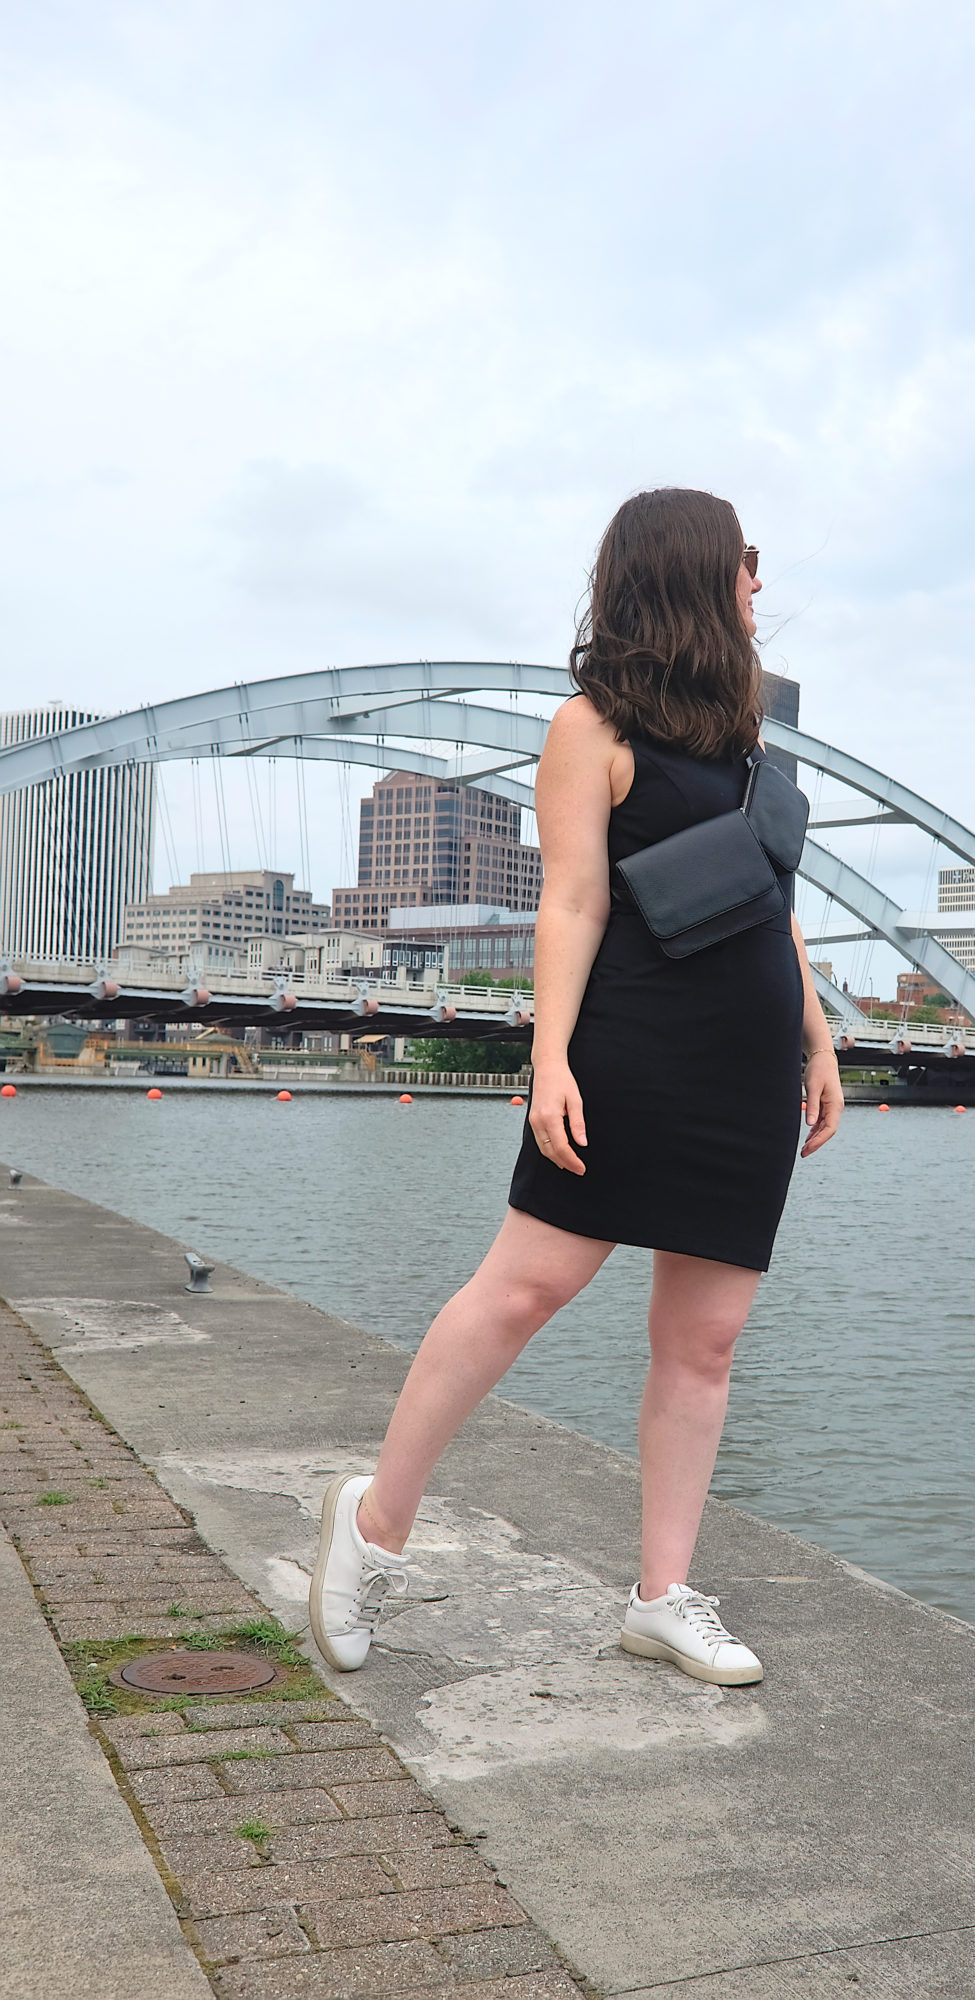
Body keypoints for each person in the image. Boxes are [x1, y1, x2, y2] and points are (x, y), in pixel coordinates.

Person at [308, 487, 843, 1686]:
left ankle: (661, 1593)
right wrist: (547, 1056)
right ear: (692, 573)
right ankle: (373, 1525)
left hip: (747, 1062)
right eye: (745, 564)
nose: (761, 584)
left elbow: (774, 911)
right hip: (635, 1048)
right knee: (522, 1288)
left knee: (704, 1340)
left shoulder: (743, 736)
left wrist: (816, 1042)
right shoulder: (589, 727)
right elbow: (571, 902)